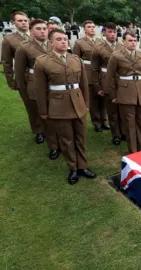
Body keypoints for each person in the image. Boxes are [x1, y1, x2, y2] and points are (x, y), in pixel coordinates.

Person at [34, 29, 96, 184]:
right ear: (51, 42)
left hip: (78, 103)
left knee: (81, 137)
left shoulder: (76, 59)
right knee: (67, 139)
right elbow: (40, 89)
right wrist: (43, 110)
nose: (63, 41)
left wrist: (86, 103)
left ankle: (83, 166)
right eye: (59, 39)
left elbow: (83, 85)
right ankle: (73, 168)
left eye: (65, 39)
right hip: (58, 106)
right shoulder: (42, 61)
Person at [15, 19, 60, 160]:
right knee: (44, 116)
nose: (42, 31)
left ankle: (61, 140)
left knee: (56, 116)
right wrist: (24, 91)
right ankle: (53, 147)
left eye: (44, 29)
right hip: (34, 86)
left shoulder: (53, 44)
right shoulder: (24, 47)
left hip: (53, 85)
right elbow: (20, 72)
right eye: (38, 29)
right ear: (32, 31)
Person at [106, 31, 141, 153]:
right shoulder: (116, 56)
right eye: (130, 40)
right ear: (123, 42)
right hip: (125, 93)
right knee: (130, 125)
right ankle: (133, 151)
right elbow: (110, 77)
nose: (133, 43)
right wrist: (114, 95)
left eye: (135, 40)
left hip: (140, 93)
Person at [2, 12, 38, 140]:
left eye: (25, 20)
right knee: (31, 106)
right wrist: (11, 81)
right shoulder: (9, 40)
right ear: (14, 23)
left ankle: (51, 128)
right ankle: (38, 130)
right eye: (20, 21)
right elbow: (6, 63)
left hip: (43, 76)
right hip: (25, 78)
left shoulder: (37, 35)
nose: (24, 23)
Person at [91, 22, 125, 146]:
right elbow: (94, 69)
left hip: (121, 81)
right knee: (112, 110)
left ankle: (123, 132)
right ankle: (115, 134)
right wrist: (97, 86)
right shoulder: (98, 48)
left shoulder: (122, 46)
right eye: (110, 32)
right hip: (106, 81)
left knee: (122, 109)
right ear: (105, 33)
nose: (112, 34)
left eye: (114, 32)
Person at [73, 20, 108, 132]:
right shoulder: (80, 43)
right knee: (93, 99)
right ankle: (97, 122)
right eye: (89, 27)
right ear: (84, 29)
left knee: (103, 98)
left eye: (93, 26)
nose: (92, 29)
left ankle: (105, 121)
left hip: (100, 73)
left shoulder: (101, 41)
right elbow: (75, 60)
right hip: (88, 73)